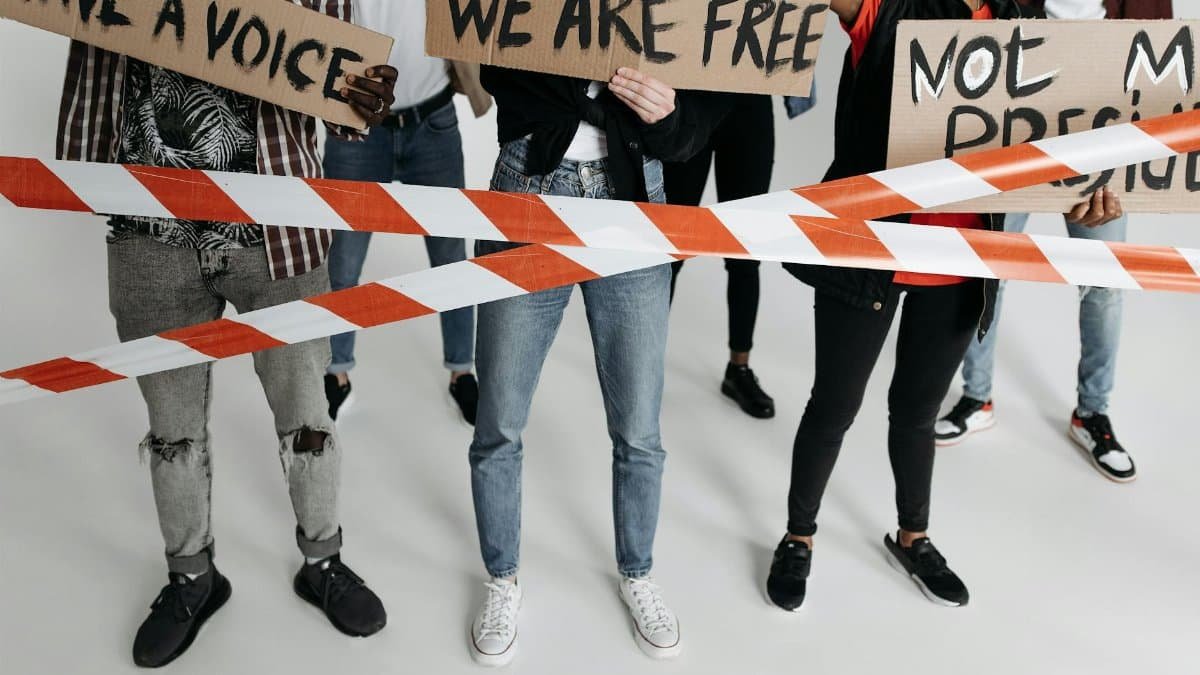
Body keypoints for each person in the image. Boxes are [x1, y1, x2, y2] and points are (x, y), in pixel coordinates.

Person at [56, 2, 397, 666]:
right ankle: (192, 577)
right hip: (148, 219)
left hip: (277, 218)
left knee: (306, 408)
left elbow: (336, 81)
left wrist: (358, 96)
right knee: (171, 425)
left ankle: (322, 561)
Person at [764, 0, 1124, 613]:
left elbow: (1052, 140)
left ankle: (914, 536)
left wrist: (1081, 193)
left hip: (959, 257)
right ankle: (798, 537)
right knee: (834, 405)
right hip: (870, 248)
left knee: (918, 411)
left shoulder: (1026, 25)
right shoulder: (885, 7)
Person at [465, 67, 725, 665]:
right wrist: (597, 89)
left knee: (639, 427)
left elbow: (693, 134)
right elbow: (494, 60)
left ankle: (638, 572)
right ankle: (501, 579)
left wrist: (668, 112)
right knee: (498, 417)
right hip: (527, 189)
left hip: (633, 201)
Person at [935, 0, 1174, 484]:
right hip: (1016, 121)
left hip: (1102, 130)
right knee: (989, 268)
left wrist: (1138, 166)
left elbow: (1160, 63)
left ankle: (1092, 413)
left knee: (1104, 283)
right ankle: (976, 396)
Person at [321, 1, 492, 424]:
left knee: (450, 255)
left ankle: (461, 370)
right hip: (354, 122)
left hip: (431, 121)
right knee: (341, 257)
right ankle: (335, 371)